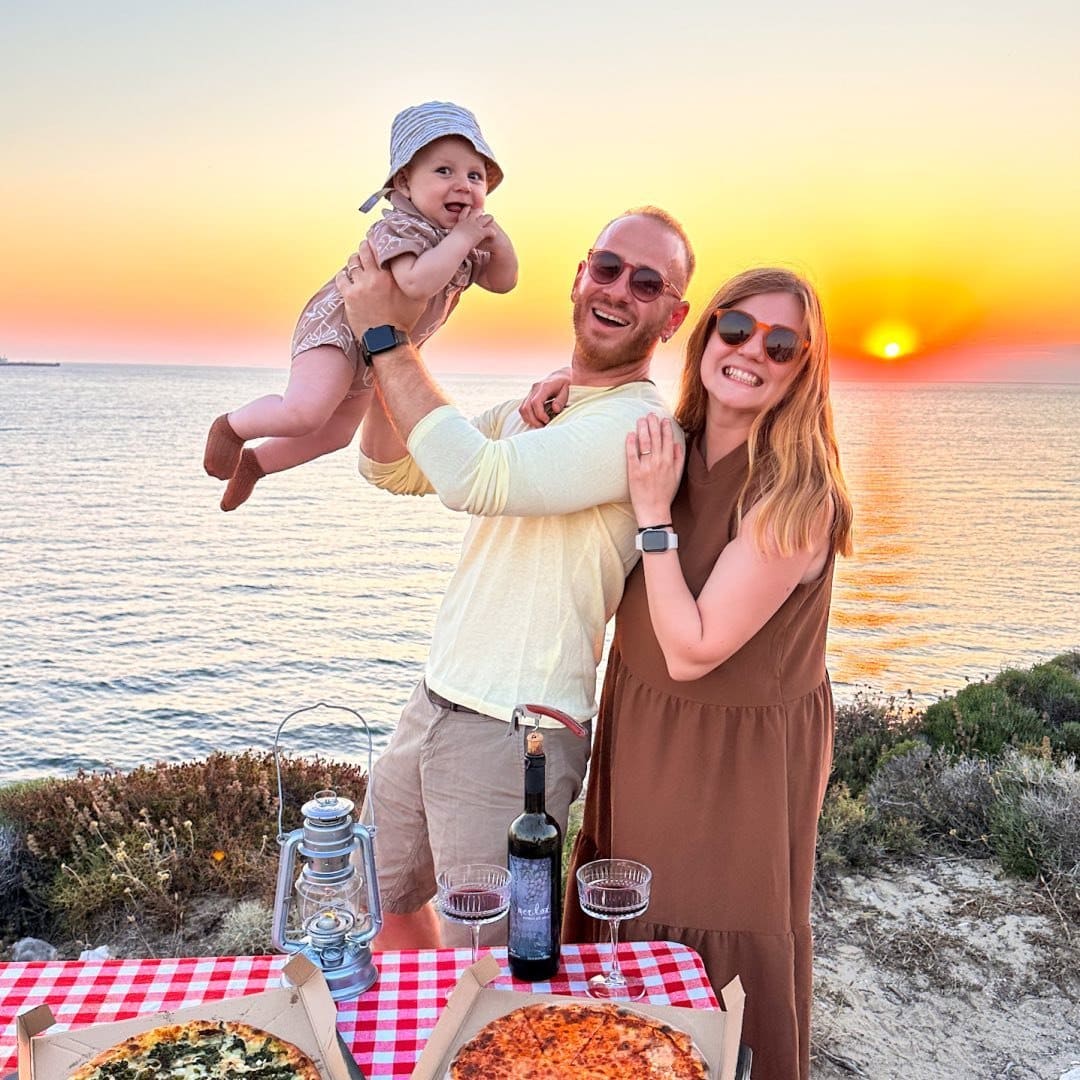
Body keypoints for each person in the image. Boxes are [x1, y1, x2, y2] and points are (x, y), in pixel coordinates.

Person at [332, 207, 694, 950]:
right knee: (386, 909)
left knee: (493, 960)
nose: (620, 289)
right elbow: (391, 467)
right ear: (579, 276)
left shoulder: (635, 427)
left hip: (515, 731)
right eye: (608, 267)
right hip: (434, 703)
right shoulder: (544, 407)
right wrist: (398, 343)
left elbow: (473, 478)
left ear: (672, 316)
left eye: (648, 282)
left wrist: (386, 337)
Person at [549, 268, 854, 1080]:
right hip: (647, 724)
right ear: (705, 331)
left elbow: (693, 647)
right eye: (736, 326)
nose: (752, 350)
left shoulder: (796, 493)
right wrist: (563, 389)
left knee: (708, 928)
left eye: (781, 344)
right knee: (626, 915)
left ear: (802, 369)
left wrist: (653, 514)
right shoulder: (669, 440)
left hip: (731, 758)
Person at [202, 101, 517, 511]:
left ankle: (256, 465)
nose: (464, 184)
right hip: (339, 331)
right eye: (444, 171)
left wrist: (496, 240)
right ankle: (232, 427)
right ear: (404, 183)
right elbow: (415, 281)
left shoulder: (459, 242)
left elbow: (503, 282)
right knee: (305, 413)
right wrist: (463, 241)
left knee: (336, 434)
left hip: (376, 350)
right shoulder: (400, 227)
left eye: (475, 176)